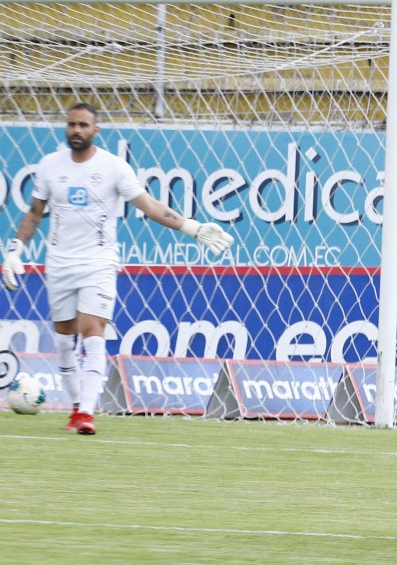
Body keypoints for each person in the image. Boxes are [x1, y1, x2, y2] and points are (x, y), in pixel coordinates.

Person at [1, 103, 234, 435]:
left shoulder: (114, 167)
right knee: (65, 338)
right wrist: (15, 250)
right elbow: (35, 213)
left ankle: (85, 413)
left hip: (98, 262)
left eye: (83, 125)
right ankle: (75, 408)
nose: (76, 130)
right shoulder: (50, 167)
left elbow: (149, 205)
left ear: (96, 131)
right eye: (71, 124)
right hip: (60, 263)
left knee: (93, 328)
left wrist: (191, 228)